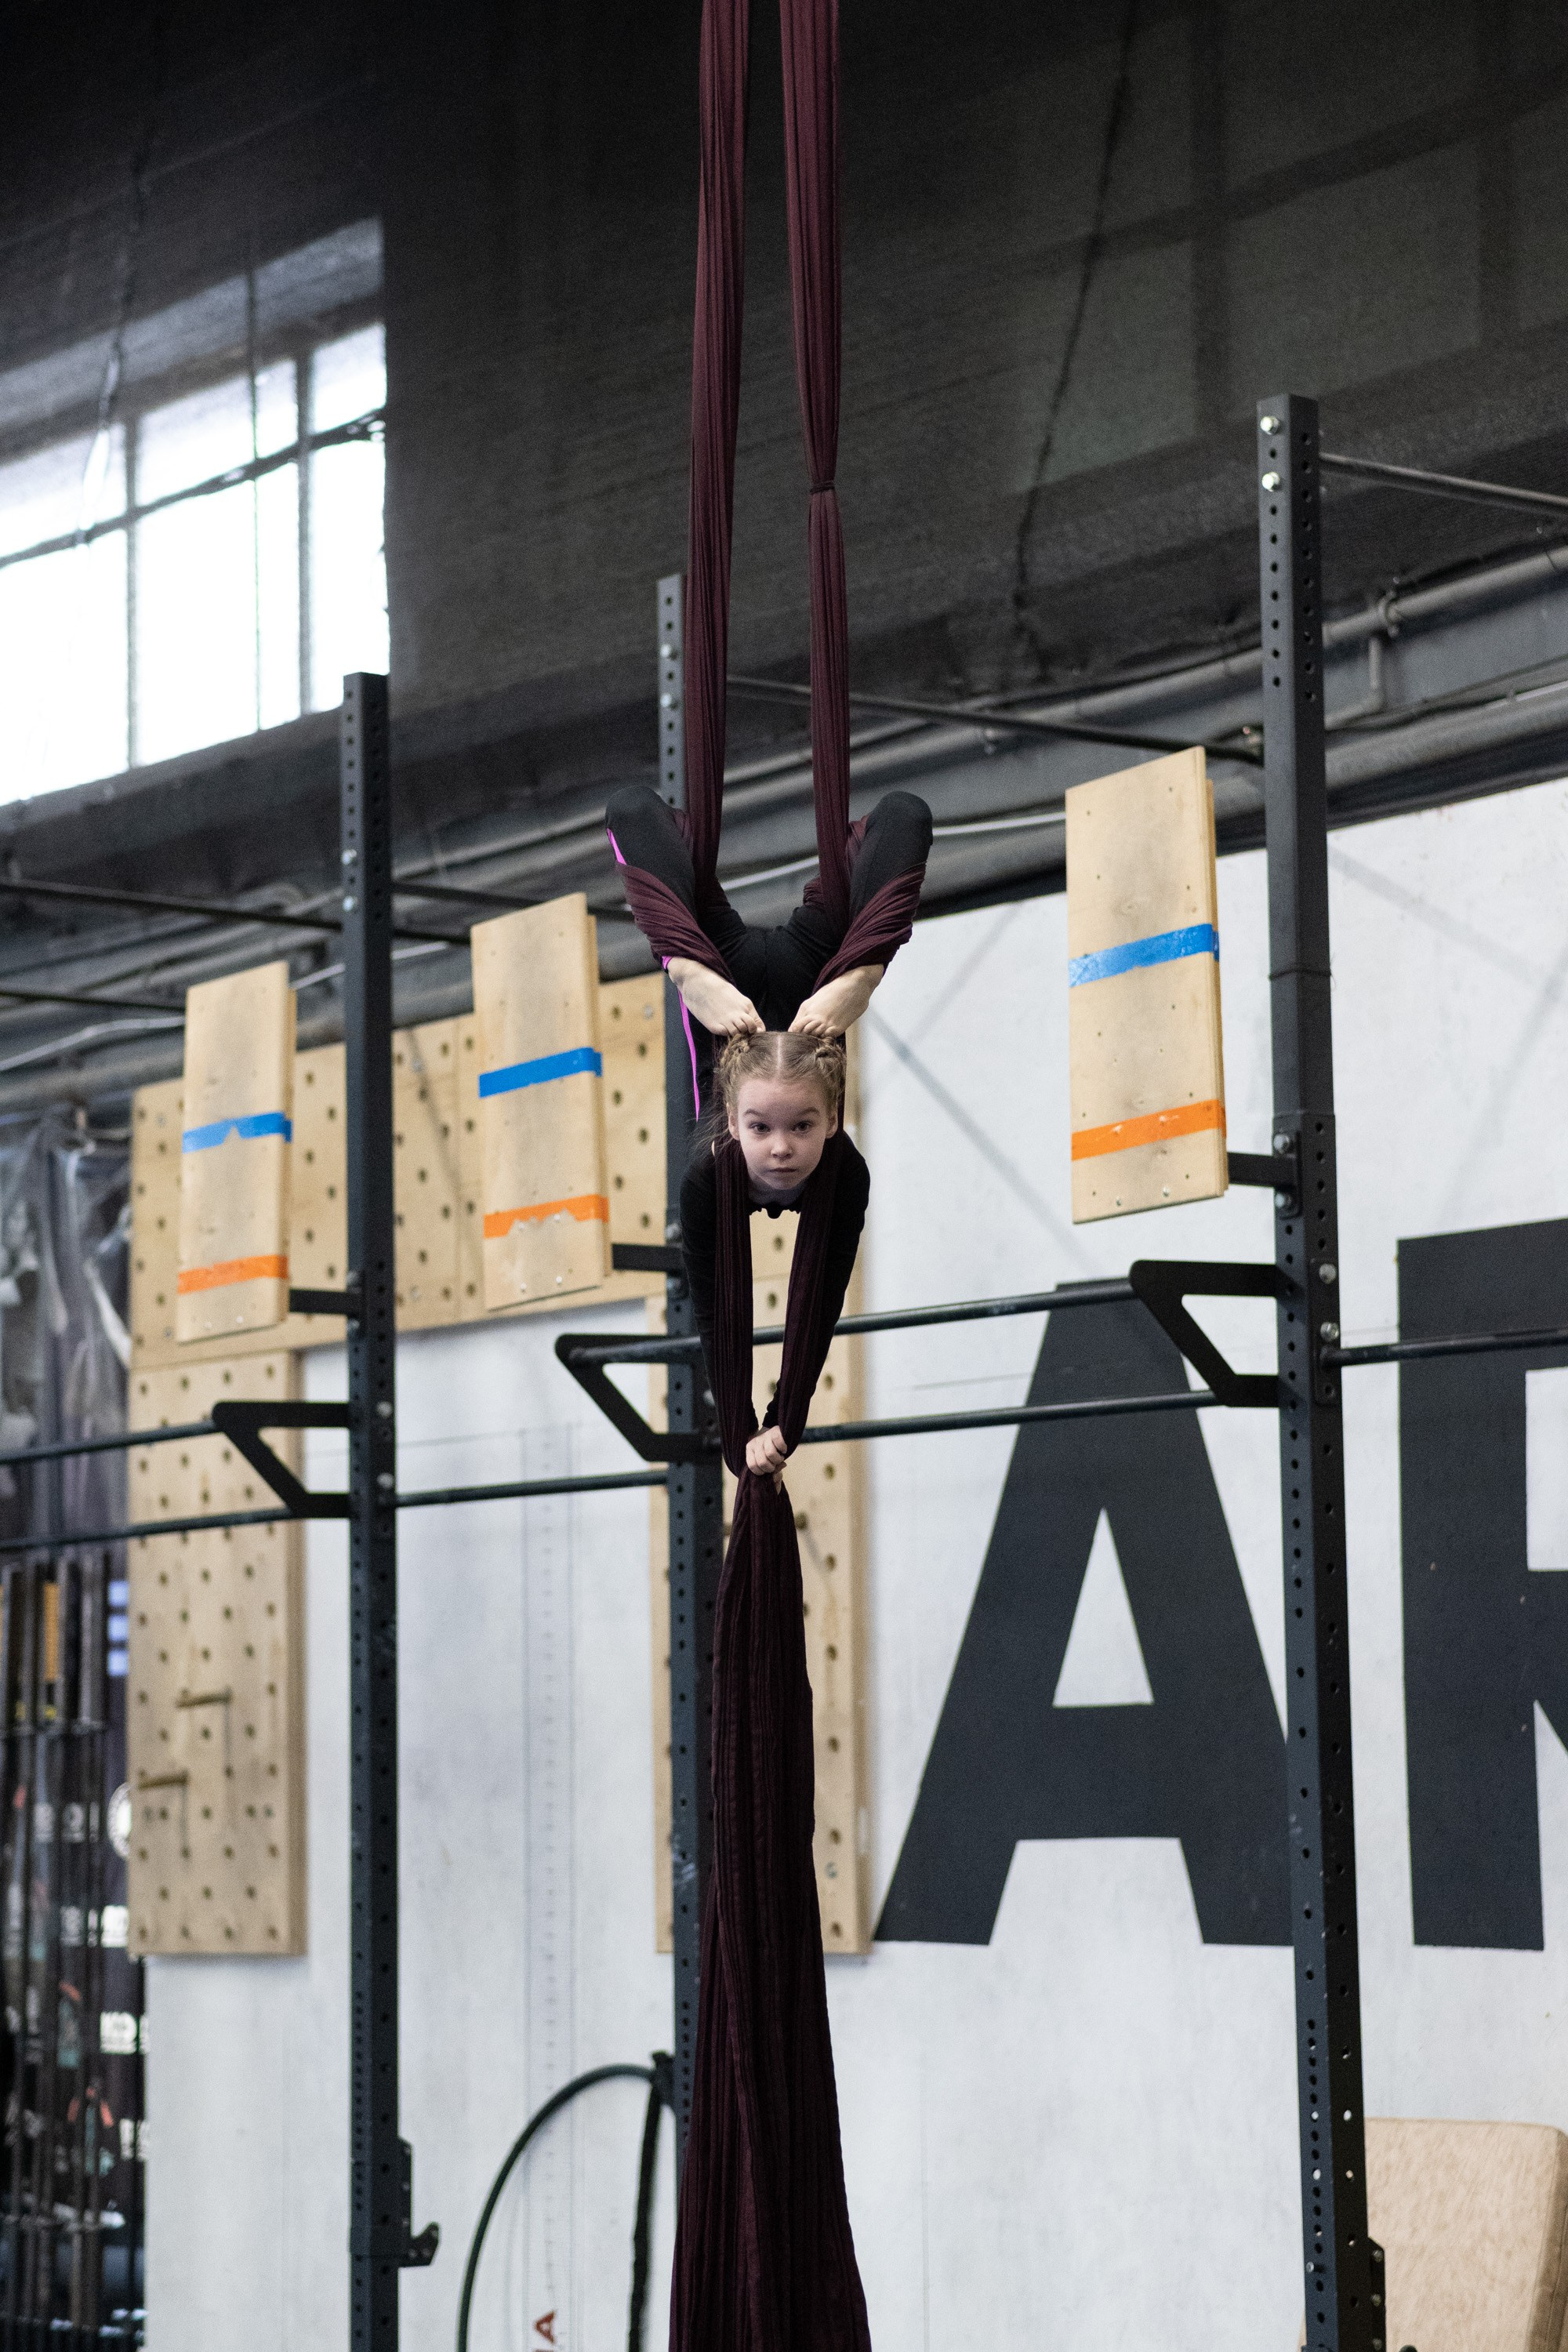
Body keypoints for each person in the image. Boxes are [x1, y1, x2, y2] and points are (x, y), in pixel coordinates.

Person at [679, 1028, 866, 1487]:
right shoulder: (705, 1179)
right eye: (760, 1128)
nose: (781, 1148)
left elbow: (822, 1304)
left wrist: (784, 1420)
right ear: (732, 1122)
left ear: (832, 1120)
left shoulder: (847, 1174)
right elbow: (712, 1313)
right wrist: (738, 1432)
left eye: (802, 1126)